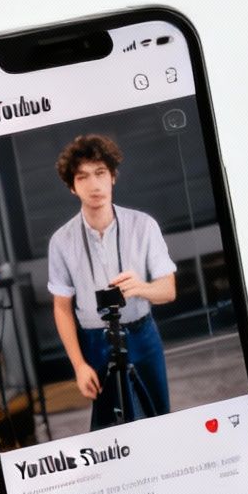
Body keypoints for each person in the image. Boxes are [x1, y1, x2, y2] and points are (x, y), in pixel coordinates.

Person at [46, 134, 177, 428]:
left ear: (113, 177)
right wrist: (79, 365)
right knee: (110, 435)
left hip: (142, 335)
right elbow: (62, 307)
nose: (94, 185)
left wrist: (140, 287)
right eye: (83, 177)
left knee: (159, 422)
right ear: (72, 186)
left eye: (101, 173)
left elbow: (168, 290)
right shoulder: (61, 241)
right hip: (96, 342)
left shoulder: (144, 225)